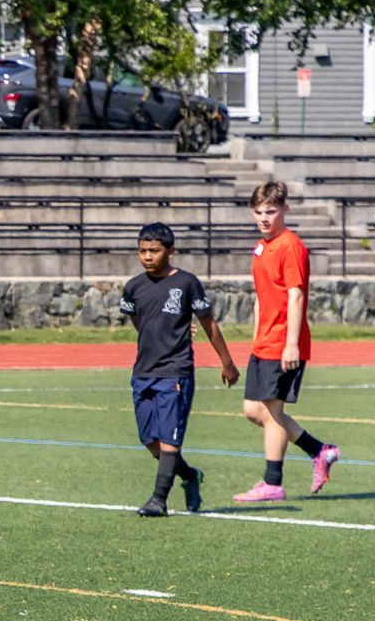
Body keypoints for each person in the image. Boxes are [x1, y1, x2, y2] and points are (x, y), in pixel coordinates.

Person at [118, 222, 239, 516]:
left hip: (176, 371)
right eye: (142, 251)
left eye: (154, 250)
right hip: (143, 373)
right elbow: (140, 322)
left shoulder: (186, 283)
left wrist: (227, 362)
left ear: (170, 251)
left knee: (171, 440)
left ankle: (158, 499)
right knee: (151, 441)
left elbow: (208, 323)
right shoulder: (134, 287)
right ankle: (189, 475)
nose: (147, 256)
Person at [234, 180, 342, 502]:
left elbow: (295, 295)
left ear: (285, 209)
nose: (264, 217)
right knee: (254, 410)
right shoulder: (261, 247)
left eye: (271, 211)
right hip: (264, 342)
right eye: (259, 212)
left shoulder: (290, 246)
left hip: (283, 341)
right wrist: (255, 338)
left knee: (273, 410)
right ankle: (319, 450)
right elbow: (260, 297)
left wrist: (291, 344)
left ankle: (273, 482)